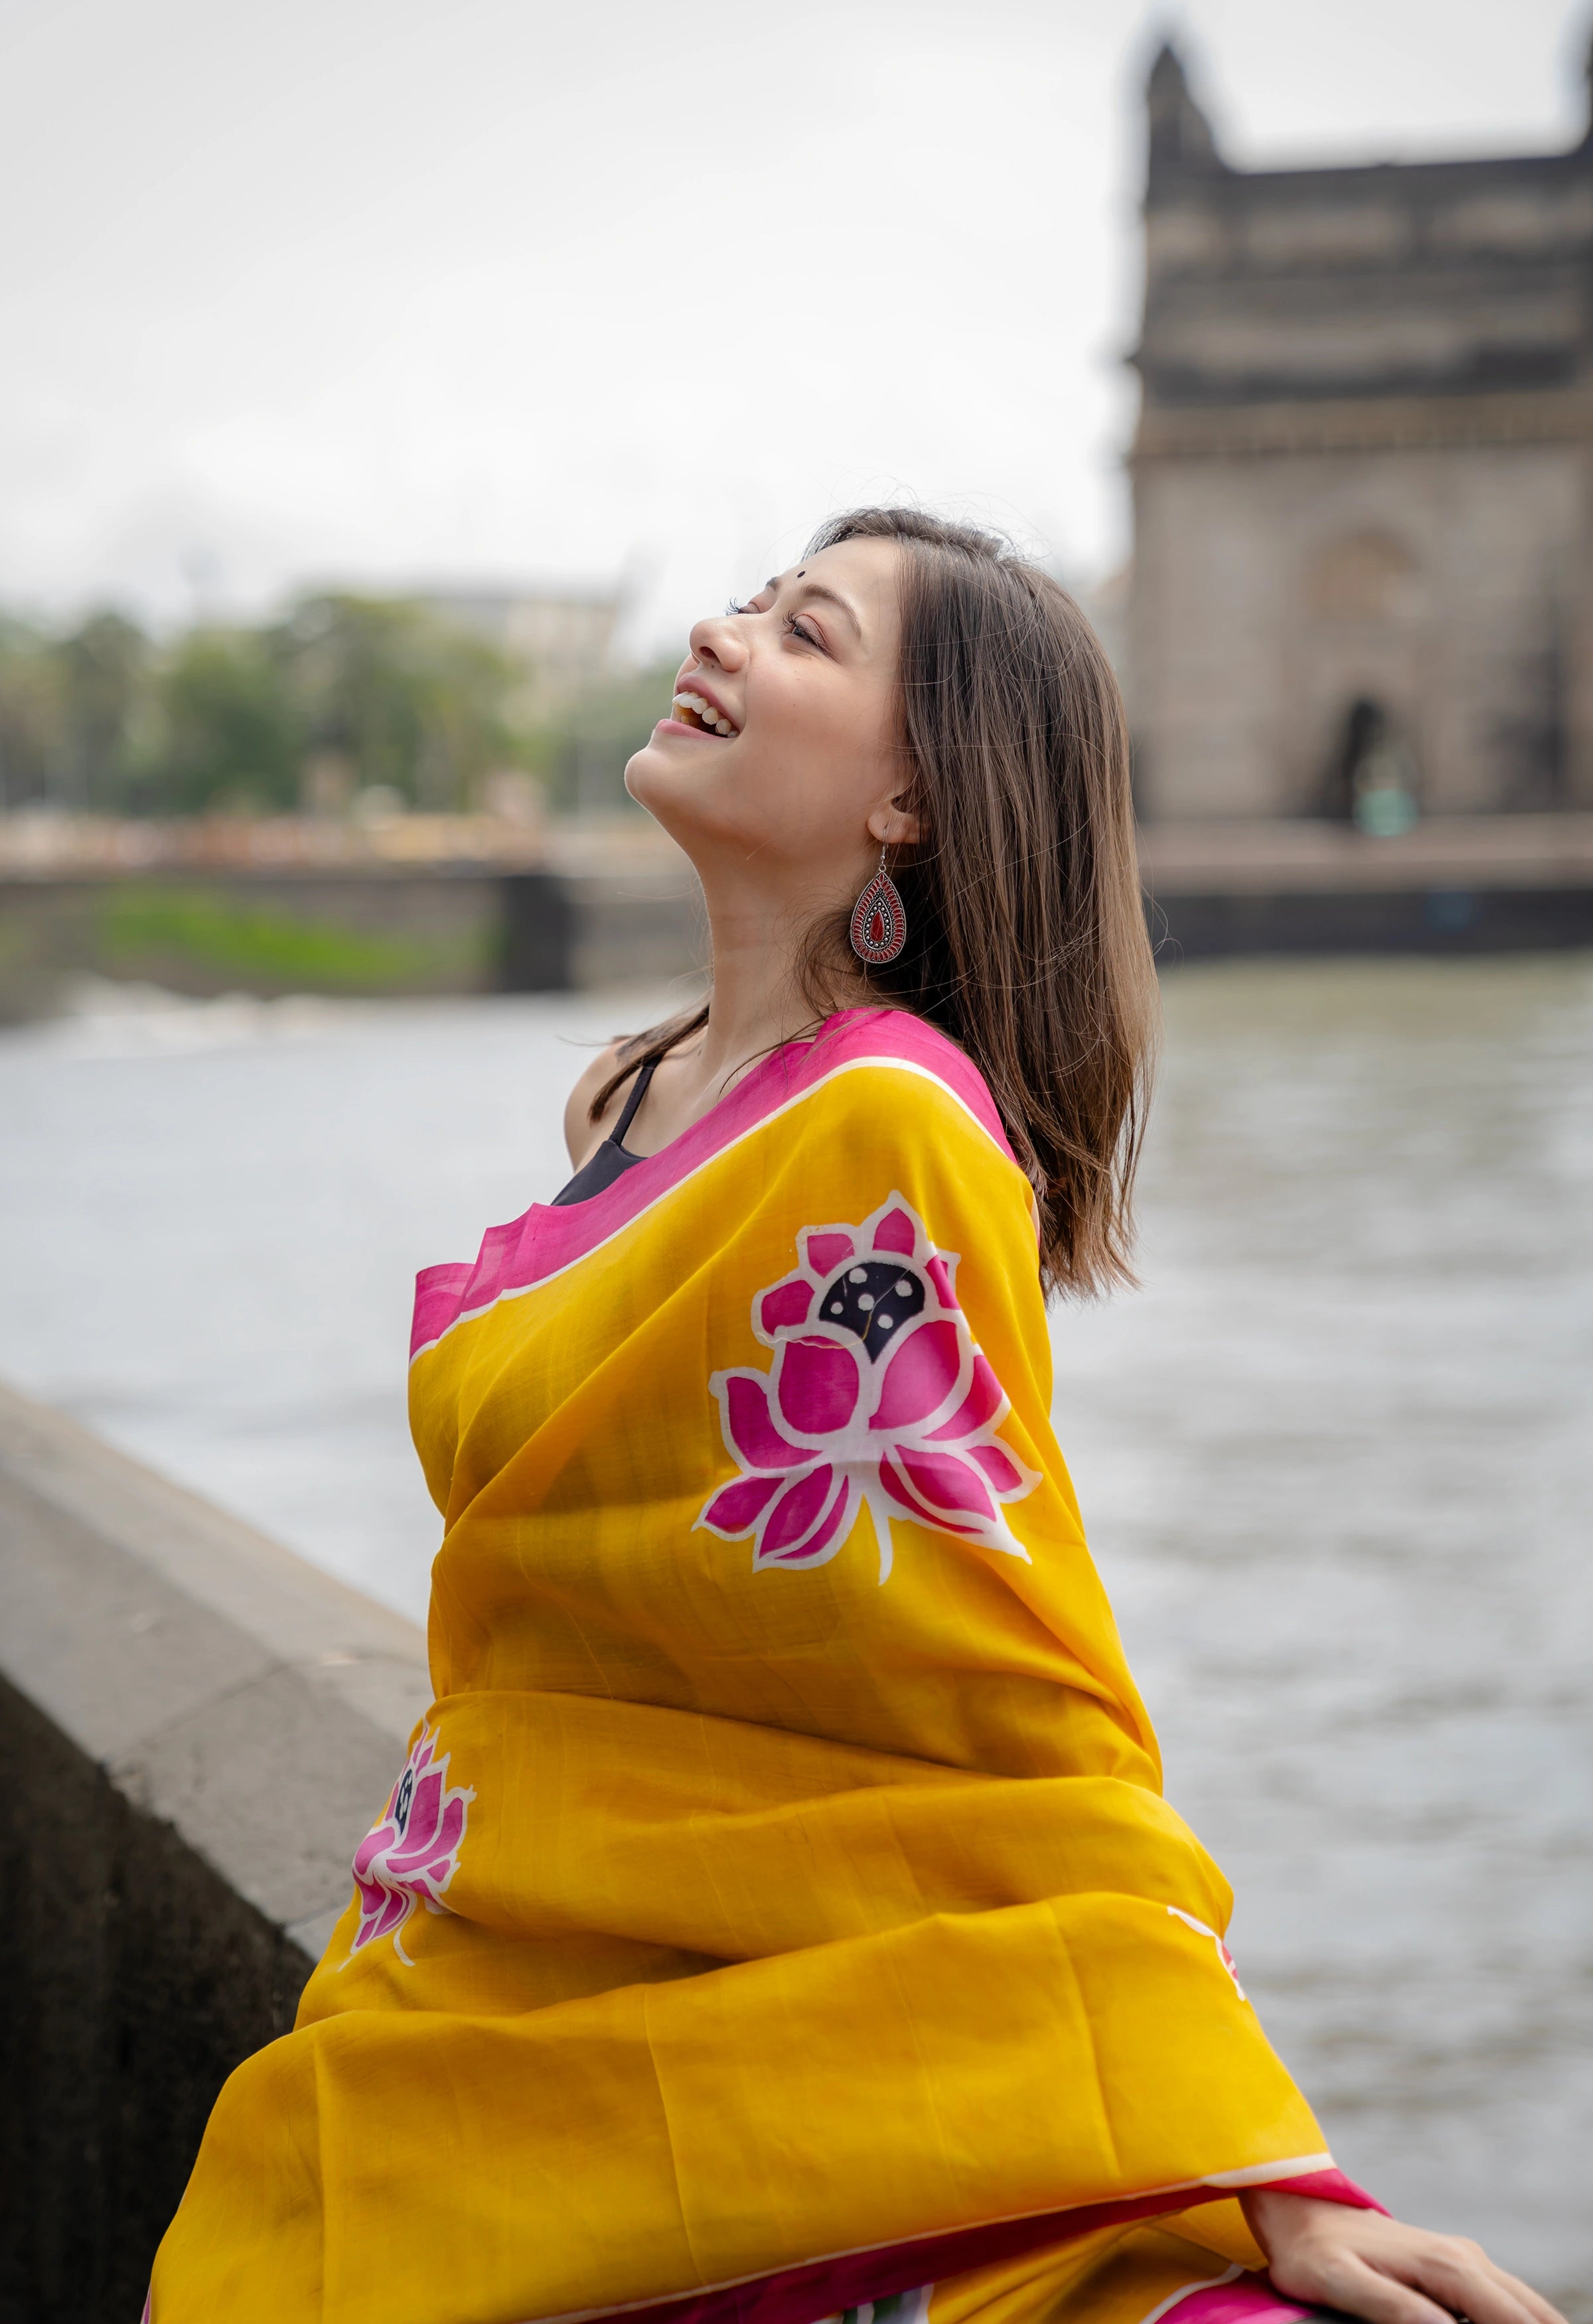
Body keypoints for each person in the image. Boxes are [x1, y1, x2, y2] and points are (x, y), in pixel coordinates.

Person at [147, 510, 1564, 2324]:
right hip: (474, 1980)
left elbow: (1008, 1663)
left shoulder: (884, 1126)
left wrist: (1255, 2159)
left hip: (785, 2038)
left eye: (803, 633)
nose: (723, 636)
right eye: (750, 602)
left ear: (913, 794)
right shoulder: (629, 1099)